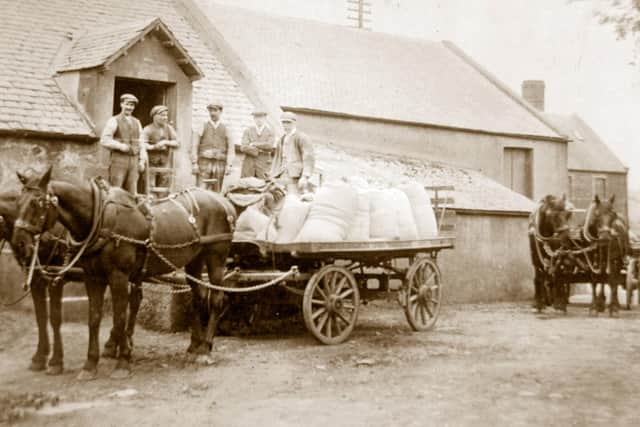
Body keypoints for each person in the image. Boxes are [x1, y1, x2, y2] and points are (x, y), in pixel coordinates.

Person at [100, 93, 147, 194]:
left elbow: (141, 143)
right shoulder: (114, 120)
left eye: (132, 105)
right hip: (119, 161)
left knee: (132, 193)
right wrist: (121, 146)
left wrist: (142, 160)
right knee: (115, 191)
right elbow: (104, 140)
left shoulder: (137, 122)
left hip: (134, 162)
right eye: (127, 104)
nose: (129, 107)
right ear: (121, 104)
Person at [191, 102, 233, 192]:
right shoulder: (202, 126)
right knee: (200, 190)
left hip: (220, 164)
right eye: (210, 111)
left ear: (221, 112)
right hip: (204, 163)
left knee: (216, 191)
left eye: (215, 110)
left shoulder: (226, 128)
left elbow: (231, 149)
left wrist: (229, 165)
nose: (212, 113)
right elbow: (194, 145)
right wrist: (194, 163)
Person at [271, 111, 314, 194]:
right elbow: (277, 159)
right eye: (283, 122)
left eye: (288, 122)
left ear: (295, 123)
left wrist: (305, 176)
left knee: (292, 198)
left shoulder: (302, 138)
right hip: (282, 172)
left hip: (295, 175)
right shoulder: (282, 139)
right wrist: (273, 173)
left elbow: (308, 158)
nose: (285, 125)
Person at [141, 105, 178, 192]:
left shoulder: (169, 128)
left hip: (165, 163)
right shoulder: (147, 129)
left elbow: (177, 142)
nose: (165, 118)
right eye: (162, 115)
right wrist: (154, 147)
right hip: (151, 163)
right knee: (150, 187)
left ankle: (162, 204)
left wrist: (166, 142)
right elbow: (142, 144)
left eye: (166, 115)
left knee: (164, 187)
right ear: (154, 116)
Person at [239, 109, 275, 179]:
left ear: (265, 118)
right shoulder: (248, 131)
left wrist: (254, 144)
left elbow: (269, 146)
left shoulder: (270, 131)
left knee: (263, 185)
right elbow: (243, 147)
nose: (259, 120)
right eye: (256, 117)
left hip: (263, 163)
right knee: (246, 185)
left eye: (261, 117)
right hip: (249, 163)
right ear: (254, 119)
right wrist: (257, 151)